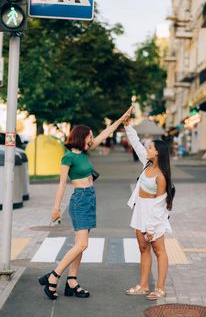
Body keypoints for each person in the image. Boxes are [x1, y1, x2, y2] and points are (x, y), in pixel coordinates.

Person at [38, 107, 132, 300]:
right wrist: (56, 208)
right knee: (81, 245)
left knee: (80, 244)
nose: (92, 139)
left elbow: (106, 132)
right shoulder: (69, 157)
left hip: (89, 198)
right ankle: (53, 277)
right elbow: (62, 183)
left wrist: (122, 118)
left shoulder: (83, 153)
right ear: (81, 137)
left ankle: (72, 281)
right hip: (80, 199)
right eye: (89, 137)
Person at [124, 116, 173, 300]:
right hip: (140, 212)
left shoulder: (161, 176)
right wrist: (128, 126)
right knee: (143, 249)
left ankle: (160, 288)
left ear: (158, 152)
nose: (147, 148)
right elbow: (136, 144)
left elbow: (159, 205)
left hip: (155, 216)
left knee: (159, 250)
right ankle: (143, 286)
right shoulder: (147, 164)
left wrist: (151, 228)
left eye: (150, 147)